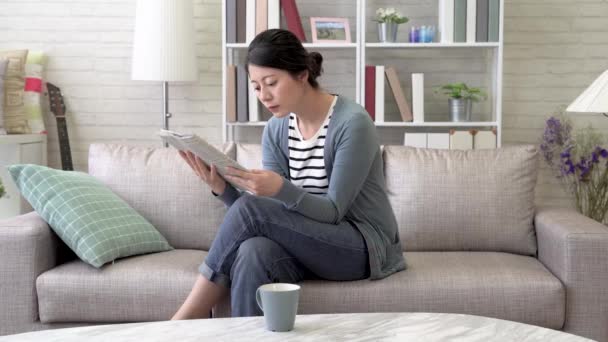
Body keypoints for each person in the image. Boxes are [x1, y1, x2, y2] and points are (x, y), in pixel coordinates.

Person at [171, 28, 405, 320]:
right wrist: (223, 189)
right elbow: (265, 219)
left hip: (360, 246)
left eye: (271, 83)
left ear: (302, 75)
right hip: (306, 242)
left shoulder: (352, 123)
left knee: (252, 213)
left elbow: (333, 212)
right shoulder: (277, 128)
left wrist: (280, 188)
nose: (264, 96)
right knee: (253, 251)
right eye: (256, 87)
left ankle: (183, 321)